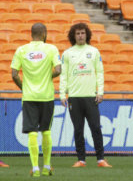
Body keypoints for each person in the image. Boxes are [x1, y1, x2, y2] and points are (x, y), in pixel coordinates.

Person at [11, 23, 61, 177]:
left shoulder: (21, 50)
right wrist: (47, 77)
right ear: (44, 34)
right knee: (46, 131)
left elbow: (13, 74)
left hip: (29, 97)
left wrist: (24, 87)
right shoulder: (51, 49)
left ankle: (35, 169)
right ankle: (46, 167)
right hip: (46, 96)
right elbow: (59, 70)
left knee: (32, 132)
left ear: (31, 34)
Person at [60, 23, 112, 168]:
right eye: (78, 34)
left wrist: (100, 92)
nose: (81, 36)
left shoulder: (94, 51)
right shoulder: (67, 53)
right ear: (73, 36)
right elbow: (63, 75)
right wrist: (62, 94)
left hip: (91, 97)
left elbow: (100, 72)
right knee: (78, 129)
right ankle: (81, 159)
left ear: (87, 34)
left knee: (95, 127)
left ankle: (101, 159)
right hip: (74, 97)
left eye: (83, 33)